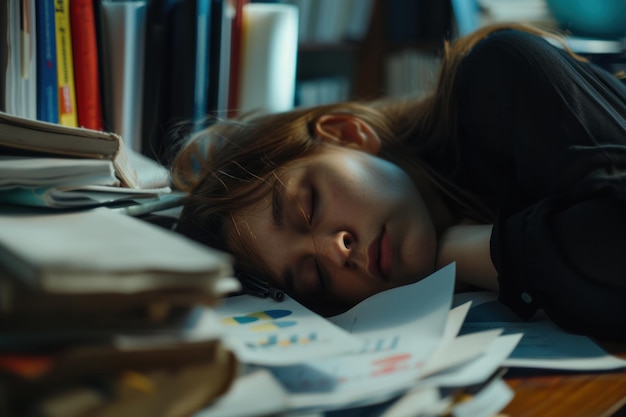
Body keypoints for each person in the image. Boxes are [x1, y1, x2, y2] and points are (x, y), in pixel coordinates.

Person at [171, 23, 626, 341]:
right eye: (312, 277)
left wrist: (467, 248)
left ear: (347, 135)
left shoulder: (499, 72)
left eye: (308, 207)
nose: (335, 252)